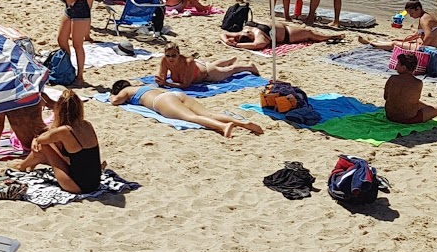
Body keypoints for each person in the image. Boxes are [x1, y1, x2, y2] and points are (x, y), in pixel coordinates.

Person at [108, 80, 263, 137]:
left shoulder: (127, 91)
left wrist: (110, 96)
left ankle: (223, 126)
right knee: (208, 113)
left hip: (161, 101)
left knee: (191, 118)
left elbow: (116, 101)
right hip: (175, 94)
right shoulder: (143, 86)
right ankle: (240, 123)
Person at [18, 91, 104, 193]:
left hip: (76, 186)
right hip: (95, 183)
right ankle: (27, 165)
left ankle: (22, 166)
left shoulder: (65, 131)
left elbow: (41, 139)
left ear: (60, 109)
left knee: (43, 146)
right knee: (49, 144)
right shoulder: (87, 125)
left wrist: (35, 139)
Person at [384, 52, 437, 124]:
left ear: (404, 67)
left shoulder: (392, 78)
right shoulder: (417, 83)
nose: (396, 66)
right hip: (408, 119)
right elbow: (414, 102)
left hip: (390, 116)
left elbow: (386, 97)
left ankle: (432, 108)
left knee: (418, 104)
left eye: (398, 64)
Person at [155, 44, 259, 88]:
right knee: (214, 65)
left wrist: (166, 83)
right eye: (168, 56)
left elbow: (186, 85)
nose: (170, 58)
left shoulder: (188, 62)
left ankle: (249, 67)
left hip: (208, 73)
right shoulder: (164, 60)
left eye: (174, 55)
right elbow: (161, 78)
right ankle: (228, 60)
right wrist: (160, 80)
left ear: (179, 54)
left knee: (230, 70)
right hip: (200, 67)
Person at [224, 19, 337, 50]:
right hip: (287, 33)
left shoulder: (241, 33)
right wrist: (236, 46)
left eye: (246, 32)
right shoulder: (260, 38)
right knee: (310, 33)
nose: (248, 31)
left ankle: (331, 35)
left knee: (303, 29)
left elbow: (223, 34)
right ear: (251, 38)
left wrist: (226, 41)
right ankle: (331, 36)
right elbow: (257, 45)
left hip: (281, 25)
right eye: (249, 34)